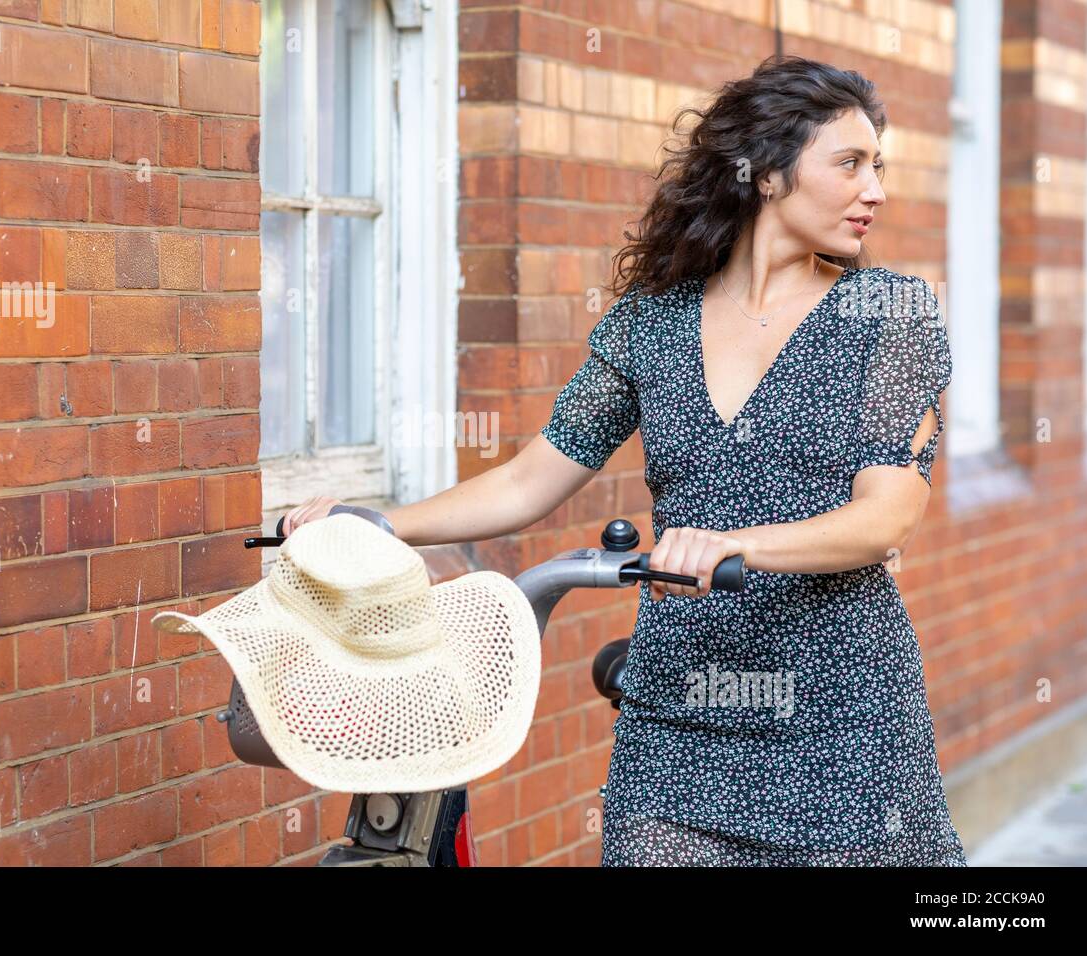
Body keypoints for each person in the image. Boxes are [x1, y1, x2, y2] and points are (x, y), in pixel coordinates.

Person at [282, 54, 967, 867]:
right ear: (769, 176)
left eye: (879, 166)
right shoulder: (653, 323)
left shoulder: (889, 316)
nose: (876, 190)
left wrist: (736, 543)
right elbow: (530, 478)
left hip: (843, 722)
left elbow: (888, 513)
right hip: (675, 720)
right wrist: (379, 524)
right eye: (851, 163)